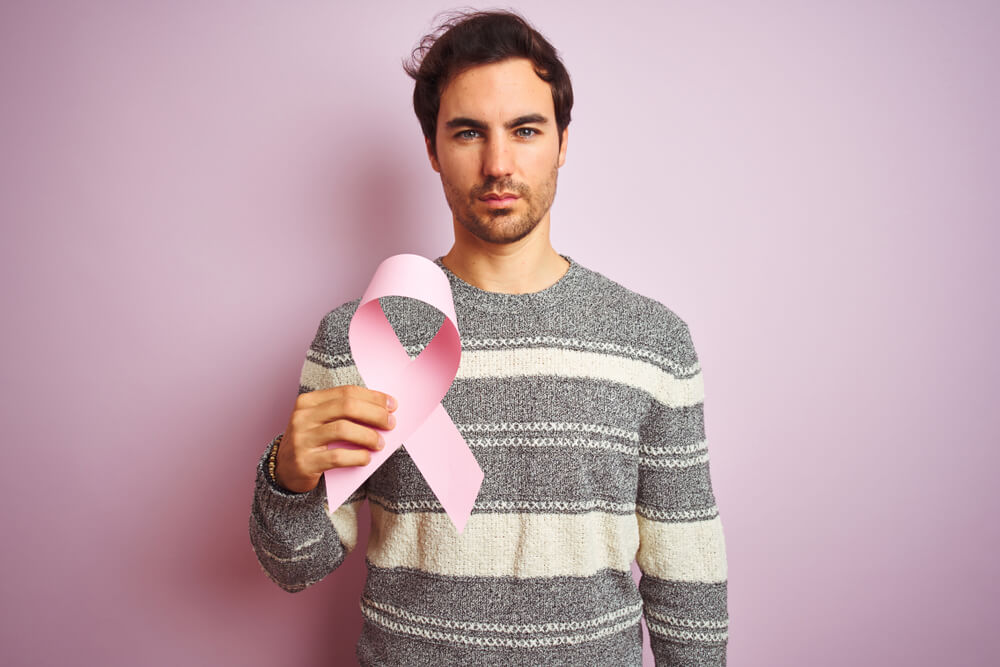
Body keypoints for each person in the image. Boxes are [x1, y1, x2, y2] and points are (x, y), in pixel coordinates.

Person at [249, 10, 728, 666]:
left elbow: (688, 578)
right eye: (468, 132)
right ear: (432, 148)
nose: (498, 163)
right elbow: (296, 566)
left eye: (525, 130)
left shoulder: (652, 341)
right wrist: (288, 476)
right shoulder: (364, 339)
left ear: (562, 142)